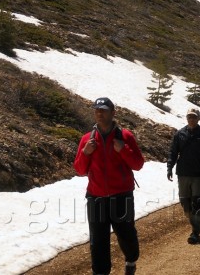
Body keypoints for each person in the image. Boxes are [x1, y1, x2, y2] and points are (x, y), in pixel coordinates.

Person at [73, 97, 145, 275]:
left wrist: (123, 149)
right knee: (98, 241)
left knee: (126, 234)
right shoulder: (87, 139)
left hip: (121, 195)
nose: (99, 113)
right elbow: (80, 170)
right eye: (97, 110)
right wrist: (85, 152)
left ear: (113, 113)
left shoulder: (125, 136)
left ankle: (130, 261)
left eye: (104, 110)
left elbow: (138, 164)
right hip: (96, 197)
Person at [167, 108, 200, 244]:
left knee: (197, 203)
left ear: (198, 118)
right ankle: (196, 227)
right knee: (185, 202)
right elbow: (173, 152)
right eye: (189, 116)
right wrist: (169, 167)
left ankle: (195, 232)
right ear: (186, 118)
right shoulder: (179, 134)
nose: (191, 119)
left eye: (194, 117)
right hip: (183, 173)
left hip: (199, 174)